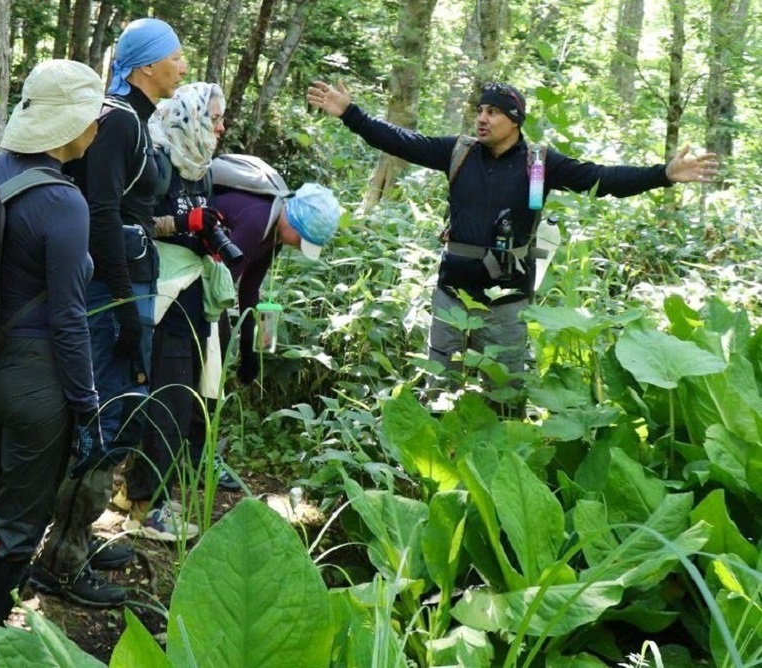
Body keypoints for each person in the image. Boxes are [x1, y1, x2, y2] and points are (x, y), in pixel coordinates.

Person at [306, 79, 719, 391]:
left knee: (505, 393)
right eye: (480, 110)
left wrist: (663, 175)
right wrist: (350, 113)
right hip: (451, 293)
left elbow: (602, 178)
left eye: (493, 112)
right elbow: (401, 141)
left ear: (515, 120)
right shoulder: (459, 152)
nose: (482, 118)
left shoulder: (540, 163)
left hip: (508, 301)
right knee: (439, 389)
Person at [0, 59, 105, 668]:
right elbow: (69, 320)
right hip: (35, 384)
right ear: (71, 128)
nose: (95, 127)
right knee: (20, 526)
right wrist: (87, 406)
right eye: (91, 117)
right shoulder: (63, 203)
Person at [30, 18, 190, 608]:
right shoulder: (119, 119)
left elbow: (129, 211)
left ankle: (76, 540)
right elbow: (100, 214)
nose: (183, 65)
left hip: (126, 285)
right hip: (111, 294)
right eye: (175, 56)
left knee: (115, 415)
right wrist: (125, 308)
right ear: (146, 66)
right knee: (105, 417)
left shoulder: (135, 122)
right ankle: (62, 561)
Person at [121, 81, 236, 541]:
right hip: (160, 295)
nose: (221, 126)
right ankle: (146, 505)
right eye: (214, 117)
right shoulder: (158, 161)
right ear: (189, 118)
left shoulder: (200, 168)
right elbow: (130, 223)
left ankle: (149, 491)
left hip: (193, 297)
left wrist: (208, 232)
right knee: (164, 401)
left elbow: (197, 219)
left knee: (183, 396)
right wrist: (183, 223)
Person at [210, 171, 341, 385]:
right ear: (293, 219)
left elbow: (249, 288)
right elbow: (219, 286)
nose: (299, 246)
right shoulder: (258, 222)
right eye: (301, 239)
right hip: (192, 259)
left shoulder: (275, 233)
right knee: (219, 345)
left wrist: (248, 349)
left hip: (212, 274)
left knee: (221, 346)